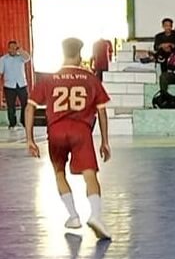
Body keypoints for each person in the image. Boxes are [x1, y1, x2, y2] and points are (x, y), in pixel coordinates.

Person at [24, 38, 112, 239]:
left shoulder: (48, 79)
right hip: (81, 131)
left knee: (59, 173)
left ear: (62, 53)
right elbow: (102, 113)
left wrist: (30, 139)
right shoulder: (90, 79)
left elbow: (30, 107)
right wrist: (105, 141)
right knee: (90, 175)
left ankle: (73, 216)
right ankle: (96, 216)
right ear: (80, 55)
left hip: (56, 131)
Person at [1, 41, 30, 129]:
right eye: (11, 47)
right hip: (9, 86)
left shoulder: (21, 57)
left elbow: (28, 57)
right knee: (11, 106)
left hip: (21, 84)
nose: (13, 49)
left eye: (15, 47)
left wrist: (20, 50)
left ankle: (24, 122)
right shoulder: (3, 59)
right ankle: (12, 124)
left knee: (25, 104)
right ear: (8, 48)